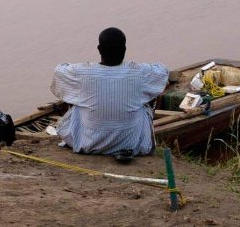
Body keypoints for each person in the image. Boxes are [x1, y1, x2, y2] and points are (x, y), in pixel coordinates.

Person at [50, 27, 169, 157]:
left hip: (89, 144)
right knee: (145, 99)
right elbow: (162, 70)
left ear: (99, 49)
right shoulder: (139, 72)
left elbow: (59, 70)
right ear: (124, 49)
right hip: (132, 144)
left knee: (77, 98)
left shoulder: (82, 73)